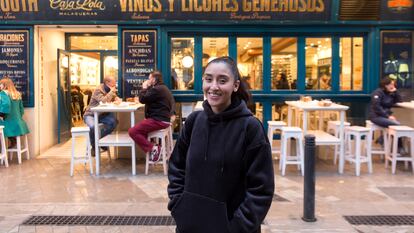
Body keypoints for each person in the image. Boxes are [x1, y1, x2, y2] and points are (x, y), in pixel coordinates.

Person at [168, 56, 274, 233]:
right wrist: (179, 205)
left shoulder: (251, 128)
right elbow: (177, 167)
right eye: (208, 79)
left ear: (235, 85)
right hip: (191, 226)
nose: (214, 86)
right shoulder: (194, 122)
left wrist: (235, 228)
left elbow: (261, 189)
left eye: (222, 80)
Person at [128, 71, 175, 162]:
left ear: (153, 79)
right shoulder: (163, 88)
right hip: (163, 119)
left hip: (158, 120)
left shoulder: (157, 90)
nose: (148, 80)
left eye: (149, 78)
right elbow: (149, 98)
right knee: (142, 132)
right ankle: (154, 149)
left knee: (132, 131)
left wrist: (144, 87)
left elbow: (142, 99)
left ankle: (153, 148)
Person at [83, 76, 121, 155]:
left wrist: (117, 98)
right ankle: (94, 146)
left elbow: (113, 97)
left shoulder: (109, 89)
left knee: (114, 122)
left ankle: (100, 140)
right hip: (91, 114)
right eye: (113, 82)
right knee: (93, 127)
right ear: (107, 83)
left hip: (102, 115)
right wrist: (112, 92)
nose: (115, 84)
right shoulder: (98, 90)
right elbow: (104, 101)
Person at [369, 76, 403, 150]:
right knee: (397, 125)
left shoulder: (391, 93)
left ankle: (382, 139)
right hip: (376, 116)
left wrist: (395, 91)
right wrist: (387, 116)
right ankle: (400, 148)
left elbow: (400, 100)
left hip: (384, 116)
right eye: (391, 84)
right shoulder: (378, 92)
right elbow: (376, 107)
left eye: (393, 84)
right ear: (385, 85)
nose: (392, 86)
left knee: (396, 126)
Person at [0, 77, 30, 149]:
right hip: (18, 123)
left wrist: (1, 114)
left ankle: (2, 152)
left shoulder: (3, 93)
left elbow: (6, 104)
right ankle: (13, 140)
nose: (0, 85)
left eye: (0, 84)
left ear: (5, 85)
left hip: (8, 124)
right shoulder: (17, 94)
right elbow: (21, 110)